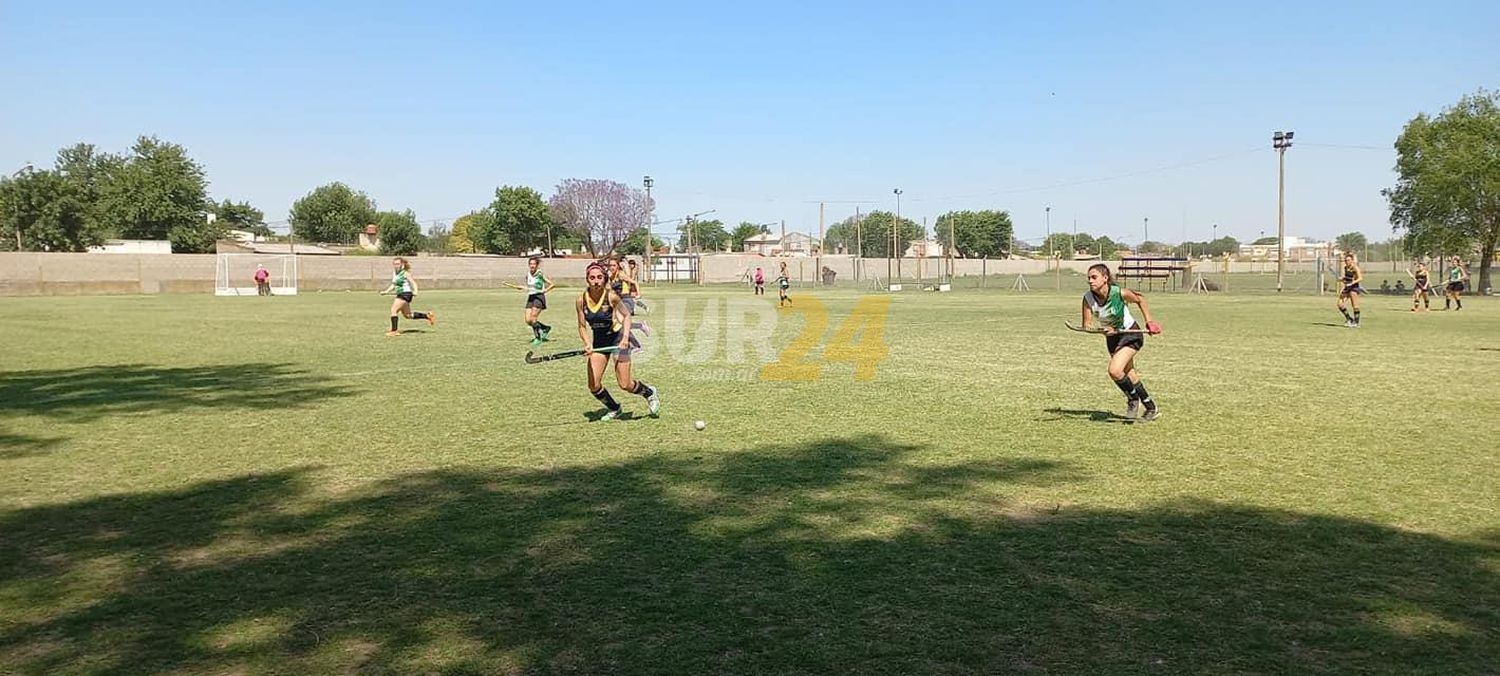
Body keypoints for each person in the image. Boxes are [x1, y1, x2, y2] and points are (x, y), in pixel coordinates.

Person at [577, 262, 660, 421]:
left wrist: (625, 338)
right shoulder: (581, 300)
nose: (596, 281)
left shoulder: (611, 297)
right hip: (599, 344)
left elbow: (627, 317)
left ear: (604, 278)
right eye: (592, 277)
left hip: (617, 338)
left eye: (599, 277)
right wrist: (587, 343)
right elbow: (581, 326)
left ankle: (649, 393)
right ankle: (615, 408)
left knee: (625, 384)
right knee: (593, 385)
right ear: (587, 279)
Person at [1080, 263, 1162, 421]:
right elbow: (1087, 325)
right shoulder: (1088, 299)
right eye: (1088, 278)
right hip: (1112, 338)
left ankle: (1132, 400)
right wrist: (1099, 330)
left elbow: (1140, 299)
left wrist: (1149, 322)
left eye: (1094, 277)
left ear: (1105, 278)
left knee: (1115, 370)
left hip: (1130, 333)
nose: (1090, 281)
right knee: (1129, 374)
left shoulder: (1119, 293)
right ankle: (1151, 407)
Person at [378, 257, 435, 336]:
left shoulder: (405, 273)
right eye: (394, 264)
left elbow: (413, 283)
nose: (396, 266)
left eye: (398, 264)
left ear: (402, 265)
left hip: (405, 294)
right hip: (401, 294)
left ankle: (394, 331)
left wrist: (415, 291)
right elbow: (394, 284)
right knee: (408, 315)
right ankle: (427, 316)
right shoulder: (395, 273)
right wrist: (386, 291)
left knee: (394, 310)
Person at [523, 257, 555, 346]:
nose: (532, 265)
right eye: (530, 264)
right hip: (531, 297)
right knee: (528, 320)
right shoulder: (528, 274)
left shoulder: (540, 274)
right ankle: (545, 328)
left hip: (539, 297)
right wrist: (523, 288)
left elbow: (552, 284)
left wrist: (545, 290)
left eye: (534, 264)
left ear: (537, 265)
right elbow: (530, 287)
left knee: (533, 319)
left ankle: (538, 338)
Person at [1336, 252, 1364, 327]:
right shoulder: (1345, 268)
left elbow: (1360, 278)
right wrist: (1342, 279)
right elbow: (1347, 278)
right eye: (1345, 260)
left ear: (1352, 260)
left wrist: (1352, 283)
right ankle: (1349, 319)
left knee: (1354, 305)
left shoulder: (1355, 267)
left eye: (1348, 260)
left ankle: (1356, 322)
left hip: (1354, 287)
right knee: (1340, 304)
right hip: (1347, 287)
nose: (1346, 262)